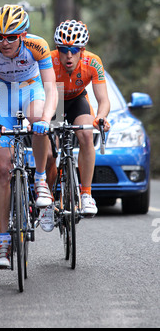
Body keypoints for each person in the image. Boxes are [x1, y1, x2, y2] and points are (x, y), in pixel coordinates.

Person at [0, 4, 57, 269]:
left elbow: (52, 89)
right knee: (2, 167)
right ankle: (3, 241)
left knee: (37, 120)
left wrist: (46, 119)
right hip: (1, 97)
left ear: (22, 35)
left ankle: (41, 179)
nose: (4, 42)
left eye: (11, 37)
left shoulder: (38, 46)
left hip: (32, 90)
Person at [41, 19, 111, 232]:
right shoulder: (49, 61)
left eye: (73, 50)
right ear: (57, 49)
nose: (68, 55)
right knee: (51, 155)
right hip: (54, 101)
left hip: (78, 101)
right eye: (63, 50)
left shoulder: (93, 62)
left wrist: (100, 117)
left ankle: (86, 193)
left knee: (87, 134)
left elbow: (104, 100)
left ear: (82, 50)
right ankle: (49, 201)